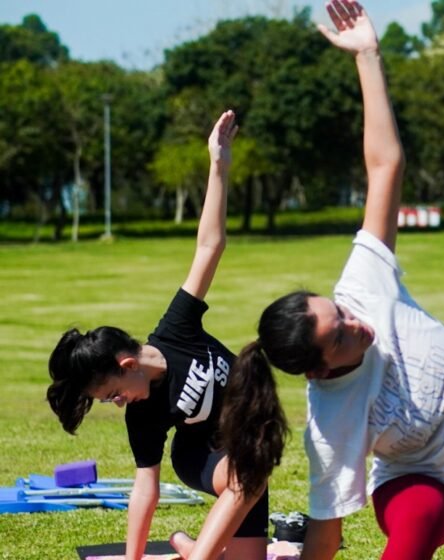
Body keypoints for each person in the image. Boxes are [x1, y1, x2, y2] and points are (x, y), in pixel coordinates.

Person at [230, 2, 444, 559]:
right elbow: (326, 532)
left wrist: (368, 55)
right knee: (419, 517)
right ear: (320, 370)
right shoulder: (331, 420)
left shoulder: (364, 284)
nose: (357, 324)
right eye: (341, 335)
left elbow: (385, 166)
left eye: (340, 313)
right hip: (421, 488)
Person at [46, 110, 286, 560]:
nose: (118, 403)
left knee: (248, 510)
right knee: (246, 474)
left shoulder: (176, 329)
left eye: (112, 394)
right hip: (203, 457)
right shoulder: (143, 416)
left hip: (247, 444)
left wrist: (218, 164)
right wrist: (133, 558)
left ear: (127, 364)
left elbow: (210, 246)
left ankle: (188, 546)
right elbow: (146, 489)